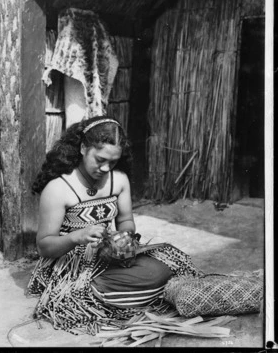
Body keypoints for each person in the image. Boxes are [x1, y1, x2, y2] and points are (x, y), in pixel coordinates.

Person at [27, 116, 198, 334]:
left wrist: (123, 238)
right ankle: (102, 293)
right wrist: (77, 237)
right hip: (72, 264)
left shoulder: (119, 180)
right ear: (82, 148)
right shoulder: (58, 188)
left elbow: (126, 221)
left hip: (110, 255)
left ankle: (120, 294)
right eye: (99, 159)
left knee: (161, 269)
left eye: (113, 162)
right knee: (145, 282)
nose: (106, 168)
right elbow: (44, 246)